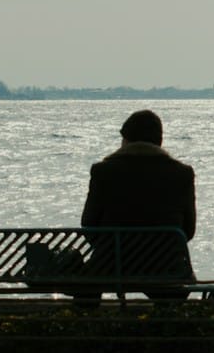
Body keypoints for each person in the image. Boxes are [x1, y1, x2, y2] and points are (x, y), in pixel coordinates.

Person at [79, 109, 197, 302]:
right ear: (159, 141)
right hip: (165, 267)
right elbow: (188, 230)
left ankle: (86, 315)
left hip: (111, 265)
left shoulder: (103, 171)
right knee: (171, 295)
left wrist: (116, 247)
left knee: (86, 282)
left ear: (126, 140)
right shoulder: (182, 173)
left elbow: (89, 223)